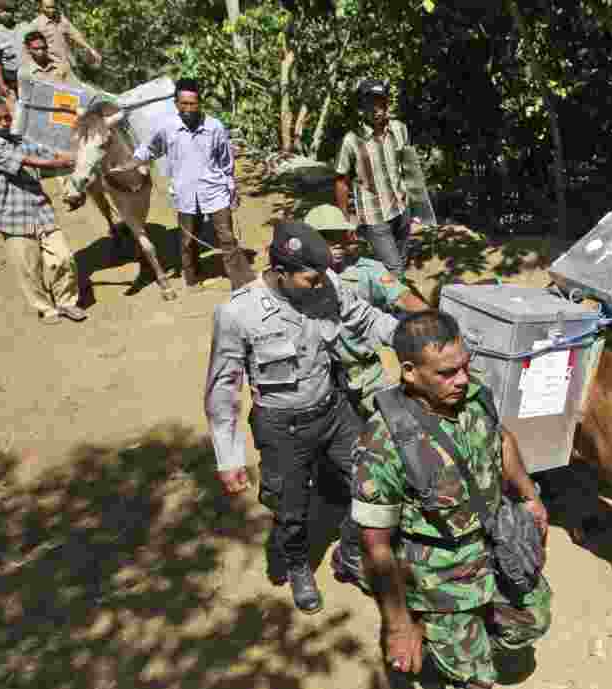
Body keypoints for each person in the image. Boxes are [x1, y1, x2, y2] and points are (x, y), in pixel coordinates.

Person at [204, 220, 399, 614]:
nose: (321, 286)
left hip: (334, 411)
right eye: (310, 280)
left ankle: (351, 553)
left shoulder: (324, 282)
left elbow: (365, 317)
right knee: (291, 509)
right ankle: (297, 565)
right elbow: (222, 389)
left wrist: (413, 337)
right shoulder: (238, 313)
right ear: (280, 274)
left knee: (371, 481)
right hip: (283, 427)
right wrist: (228, 457)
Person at [353, 310, 552, 689]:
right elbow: (375, 545)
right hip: (438, 577)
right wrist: (397, 625)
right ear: (410, 372)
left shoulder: (472, 394)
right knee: (476, 679)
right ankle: (445, 641)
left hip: (495, 548)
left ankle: (459, 640)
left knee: (534, 620)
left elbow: (501, 438)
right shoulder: (384, 442)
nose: (462, 379)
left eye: (465, 365)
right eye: (447, 372)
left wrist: (530, 496)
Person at [120, 78, 254, 292]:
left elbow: (225, 161)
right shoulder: (167, 128)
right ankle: (192, 278)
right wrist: (132, 162)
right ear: (176, 104)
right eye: (183, 104)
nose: (188, 109)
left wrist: (231, 186)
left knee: (226, 237)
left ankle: (241, 281)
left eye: (192, 104)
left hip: (215, 191)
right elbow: (150, 149)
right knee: (187, 241)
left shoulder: (214, 127)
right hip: (185, 194)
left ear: (200, 103)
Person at [303, 203, 429, 416]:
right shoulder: (299, 280)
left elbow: (404, 298)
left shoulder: (367, 270)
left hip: (366, 371)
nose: (336, 244)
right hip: (320, 376)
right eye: (326, 237)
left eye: (339, 236)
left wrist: (436, 324)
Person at [0, 99, 87, 325]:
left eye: (7, 117)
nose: (5, 123)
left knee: (63, 257)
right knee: (28, 267)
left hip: (40, 207)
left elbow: (45, 151)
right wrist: (58, 163)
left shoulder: (19, 138)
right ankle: (45, 307)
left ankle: (66, 302)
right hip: (12, 214)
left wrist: (69, 151)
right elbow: (27, 160)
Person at [334, 79, 415, 277]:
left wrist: (418, 204)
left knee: (402, 260)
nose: (377, 109)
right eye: (371, 103)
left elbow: (408, 166)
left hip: (402, 210)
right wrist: (344, 220)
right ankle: (398, 307)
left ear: (387, 103)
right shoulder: (351, 140)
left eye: (381, 102)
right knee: (394, 269)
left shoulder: (399, 129)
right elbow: (341, 180)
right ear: (362, 107)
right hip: (374, 217)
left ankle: (389, 301)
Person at [27, 0, 101, 70]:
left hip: (69, 64)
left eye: (53, 7)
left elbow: (74, 34)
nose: (51, 10)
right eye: (48, 7)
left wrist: (89, 48)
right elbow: (30, 49)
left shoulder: (61, 19)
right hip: (53, 67)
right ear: (41, 7)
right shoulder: (35, 25)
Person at [0, 1, 25, 109]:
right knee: (17, 111)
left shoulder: (25, 27)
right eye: (1, 12)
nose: (5, 14)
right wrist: (1, 84)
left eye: (7, 10)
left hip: (30, 74)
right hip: (12, 79)